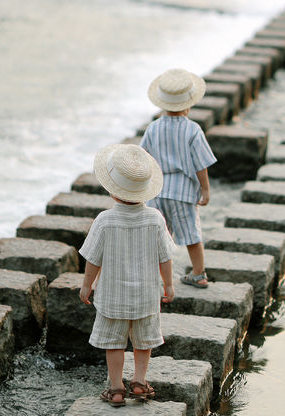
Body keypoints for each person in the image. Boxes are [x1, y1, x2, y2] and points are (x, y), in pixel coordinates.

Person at [79, 142, 175, 407]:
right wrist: (168, 285)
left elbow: (92, 260)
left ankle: (117, 388)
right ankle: (140, 382)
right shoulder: (155, 218)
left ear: (112, 189)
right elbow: (165, 257)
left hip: (113, 299)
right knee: (144, 343)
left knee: (115, 344)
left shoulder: (104, 220)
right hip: (146, 298)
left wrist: (86, 286)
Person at [140, 67, 217, 288]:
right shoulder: (193, 130)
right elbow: (201, 164)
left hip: (158, 190)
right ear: (189, 103)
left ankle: (160, 279)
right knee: (191, 234)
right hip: (183, 192)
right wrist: (205, 190)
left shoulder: (153, 129)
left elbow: (144, 158)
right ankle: (198, 273)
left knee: (161, 239)